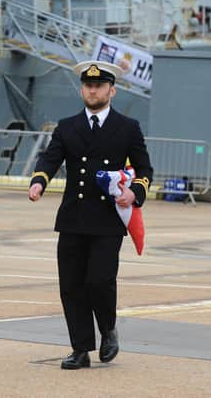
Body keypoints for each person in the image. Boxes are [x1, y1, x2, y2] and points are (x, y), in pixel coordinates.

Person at [28, 60, 153, 370]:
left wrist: (133, 193)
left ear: (111, 90)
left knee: (99, 280)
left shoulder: (127, 128)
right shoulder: (68, 126)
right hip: (73, 217)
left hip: (107, 220)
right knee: (71, 285)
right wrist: (38, 181)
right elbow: (51, 158)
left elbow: (145, 169)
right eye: (87, 85)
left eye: (98, 85)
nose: (92, 89)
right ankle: (80, 349)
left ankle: (108, 330)